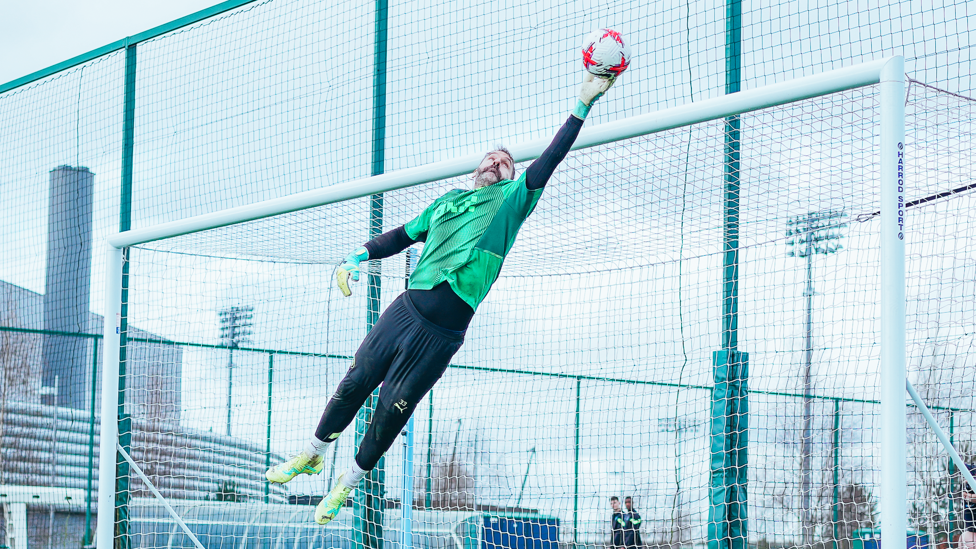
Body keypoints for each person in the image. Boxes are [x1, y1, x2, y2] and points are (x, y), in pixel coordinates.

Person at [263, 71, 618, 525]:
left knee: (392, 408)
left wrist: (582, 104)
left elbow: (551, 158)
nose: (496, 163)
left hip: (443, 333)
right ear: (477, 167)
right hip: (405, 310)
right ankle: (312, 453)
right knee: (355, 382)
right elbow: (402, 235)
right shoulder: (447, 201)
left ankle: (345, 486)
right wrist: (359, 255)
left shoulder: (514, 200)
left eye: (505, 163)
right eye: (490, 158)